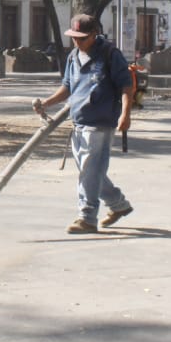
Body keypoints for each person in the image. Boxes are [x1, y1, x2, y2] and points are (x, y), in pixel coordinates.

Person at [31, 14, 135, 234]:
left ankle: (87, 217)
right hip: (78, 121)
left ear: (94, 34)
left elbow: (126, 86)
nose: (77, 42)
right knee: (91, 171)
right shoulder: (73, 57)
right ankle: (118, 204)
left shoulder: (110, 54)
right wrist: (47, 103)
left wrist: (125, 115)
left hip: (101, 122)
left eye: (82, 38)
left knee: (89, 171)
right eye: (74, 38)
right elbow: (68, 87)